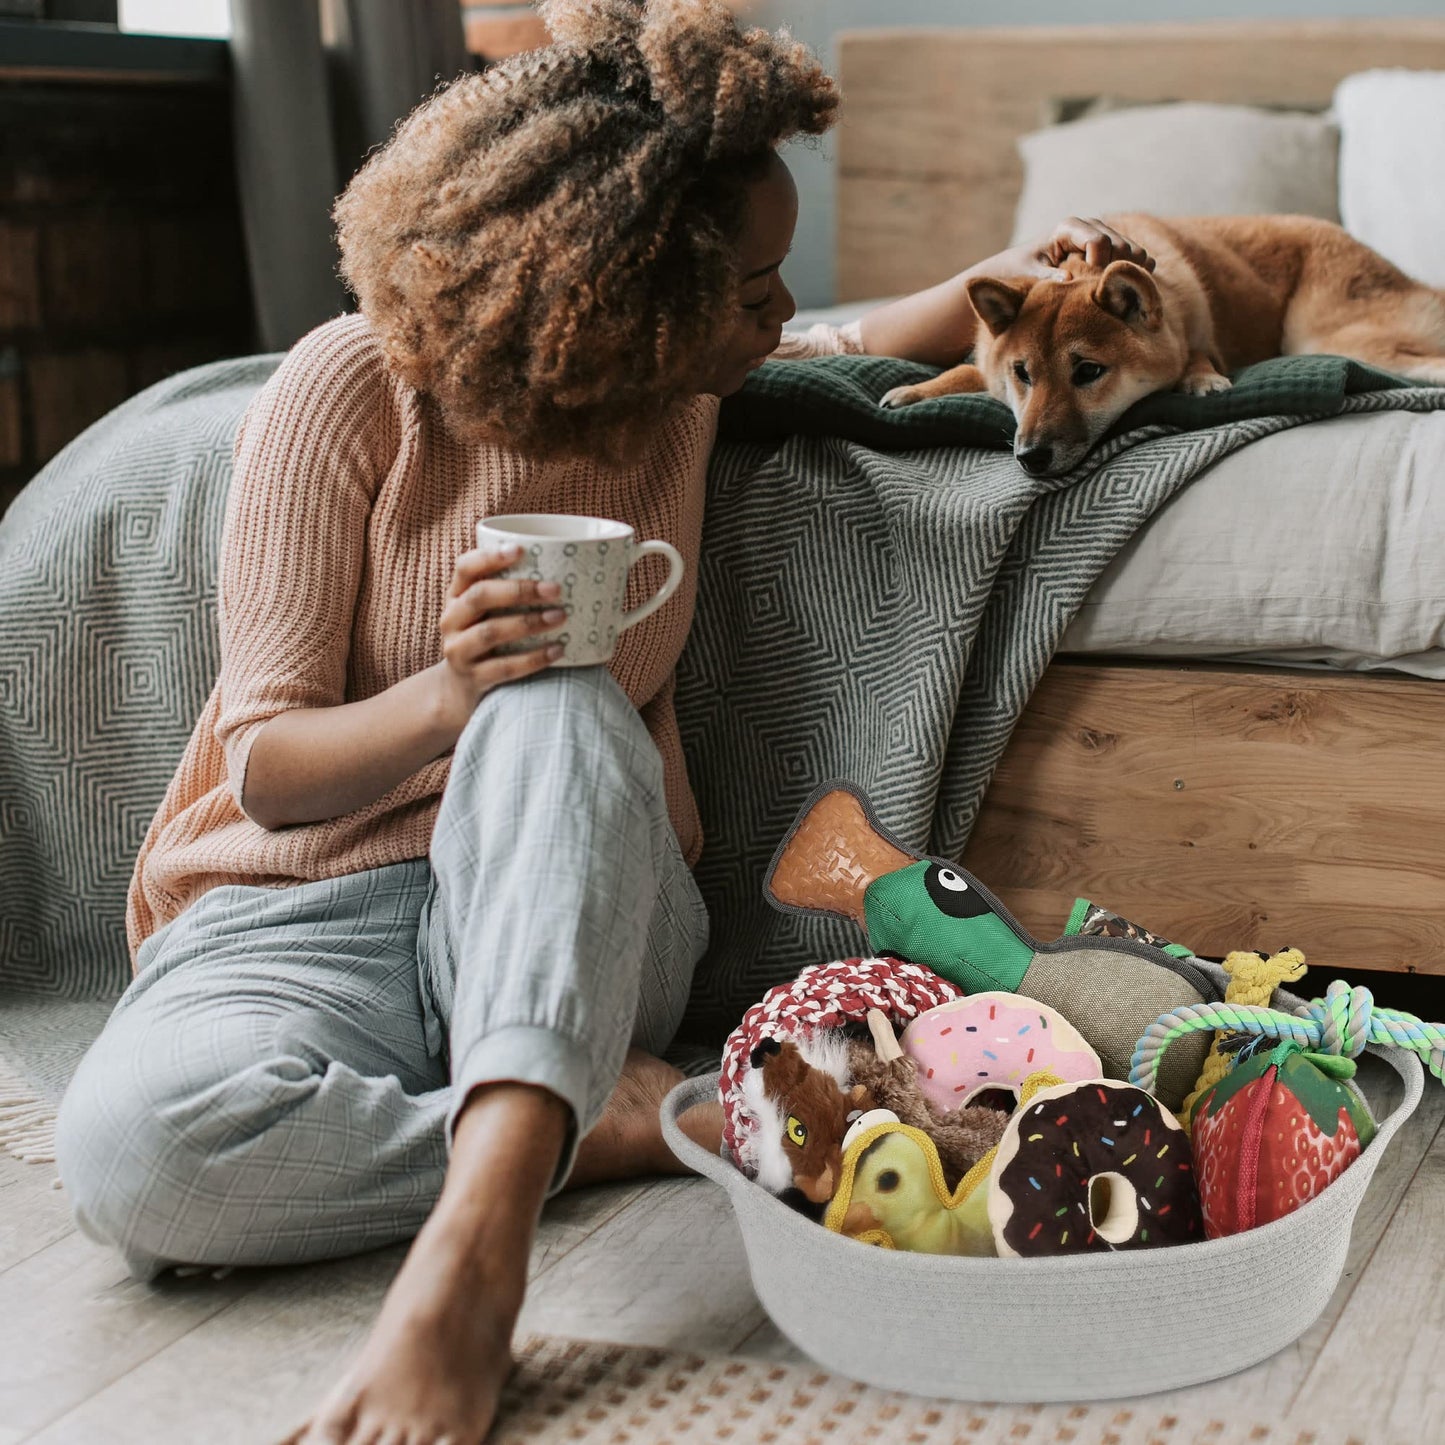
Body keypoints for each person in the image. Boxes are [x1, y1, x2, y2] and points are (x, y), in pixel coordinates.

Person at [53, 2, 1153, 1442]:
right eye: (745, 283)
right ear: (618, 284)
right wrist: (444, 695)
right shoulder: (341, 395)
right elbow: (263, 767)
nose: (778, 311)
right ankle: (609, 1115)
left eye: (775, 278)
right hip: (295, 919)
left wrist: (1015, 272)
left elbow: (858, 333)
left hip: (582, 909)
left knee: (565, 699)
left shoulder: (685, 395)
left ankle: (472, 1253)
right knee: (137, 1156)